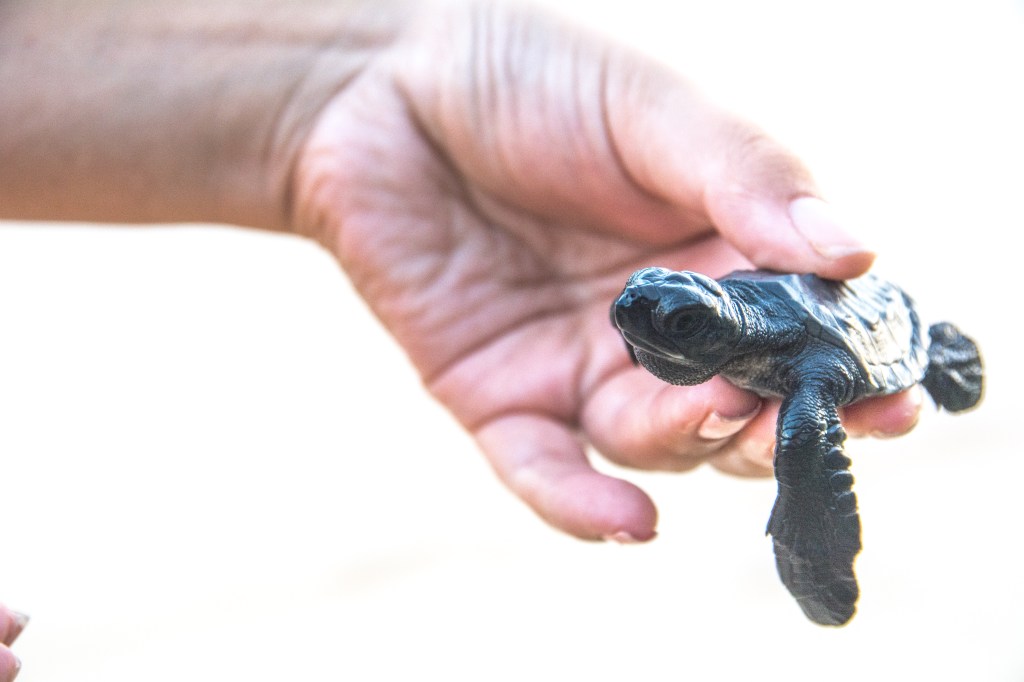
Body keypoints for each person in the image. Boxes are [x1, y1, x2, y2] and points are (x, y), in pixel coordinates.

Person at [0, 0, 923, 677]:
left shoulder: (801, 371)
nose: (643, 321)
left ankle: (843, 533)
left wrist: (364, 79)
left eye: (677, 321)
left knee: (814, 437)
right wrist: (356, 81)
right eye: (639, 307)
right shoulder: (726, 318)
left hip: (861, 331)